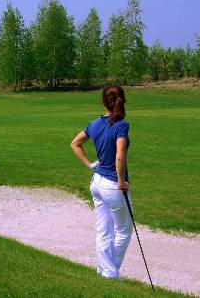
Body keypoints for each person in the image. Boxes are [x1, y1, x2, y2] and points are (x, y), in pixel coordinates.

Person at [70, 85, 133, 280]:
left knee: (104, 229)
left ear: (103, 102)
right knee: (123, 230)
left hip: (97, 182)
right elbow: (120, 156)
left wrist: (90, 165)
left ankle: (104, 269)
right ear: (122, 100)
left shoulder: (94, 124)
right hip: (114, 186)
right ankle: (110, 272)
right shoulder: (121, 125)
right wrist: (122, 182)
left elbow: (75, 143)